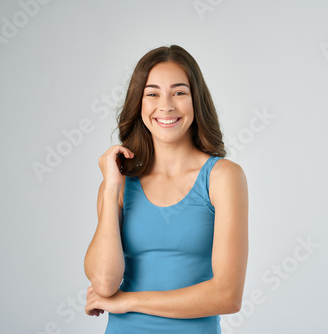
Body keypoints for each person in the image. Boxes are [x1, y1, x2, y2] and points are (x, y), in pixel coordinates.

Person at [83, 45, 248, 334]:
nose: (166, 105)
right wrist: (111, 187)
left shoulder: (223, 177)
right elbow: (104, 284)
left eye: (179, 92)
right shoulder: (118, 185)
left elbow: (227, 296)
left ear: (197, 101)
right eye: (153, 93)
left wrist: (129, 301)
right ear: (140, 104)